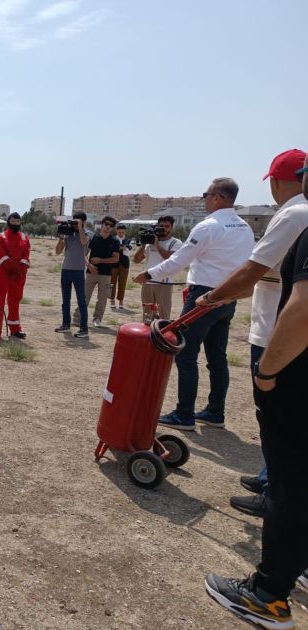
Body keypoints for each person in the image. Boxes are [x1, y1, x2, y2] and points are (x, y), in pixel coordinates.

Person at [205, 219, 308, 630]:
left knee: (291, 483)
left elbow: (303, 310)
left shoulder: (297, 217)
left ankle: (266, 597)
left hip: (297, 378)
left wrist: (267, 372)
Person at [195, 149, 308, 519]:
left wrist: (211, 297)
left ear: (279, 181)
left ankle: (276, 494)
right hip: (284, 329)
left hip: (277, 334)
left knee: (276, 419)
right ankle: (268, 479)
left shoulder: (294, 214)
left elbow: (251, 272)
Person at [134, 177, 255, 431]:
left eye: (206, 195)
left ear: (218, 197)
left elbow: (179, 259)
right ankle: (214, 412)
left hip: (204, 296)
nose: (205, 200)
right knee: (217, 356)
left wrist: (148, 274)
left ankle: (184, 414)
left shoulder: (208, 226)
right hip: (228, 296)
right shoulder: (244, 227)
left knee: (186, 354)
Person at [132, 216, 183, 322]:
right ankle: (147, 336)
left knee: (163, 315)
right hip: (148, 283)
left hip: (164, 284)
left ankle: (160, 336)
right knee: (147, 315)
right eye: (161, 226)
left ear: (171, 228)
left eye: (167, 226)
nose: (164, 228)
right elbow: (136, 260)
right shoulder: (150, 243)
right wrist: (143, 245)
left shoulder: (175, 243)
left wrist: (157, 245)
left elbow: (170, 258)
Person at [0, 212, 31, 338]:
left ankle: (15, 329)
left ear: (20, 223)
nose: (15, 223)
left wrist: (20, 270)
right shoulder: (1, 237)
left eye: (17, 221)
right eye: (12, 221)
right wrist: (13, 269)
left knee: (15, 300)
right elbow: (0, 255)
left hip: (19, 275)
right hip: (3, 273)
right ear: (8, 222)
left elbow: (26, 255)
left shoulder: (24, 238)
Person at [54, 210, 91, 338]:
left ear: (84, 222)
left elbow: (83, 242)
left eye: (78, 222)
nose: (75, 224)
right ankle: (65, 324)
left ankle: (84, 328)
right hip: (66, 270)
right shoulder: (68, 234)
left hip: (79, 271)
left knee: (81, 301)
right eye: (74, 221)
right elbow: (58, 251)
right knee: (65, 300)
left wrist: (80, 227)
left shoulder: (86, 233)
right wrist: (61, 237)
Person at [79, 215, 120, 327]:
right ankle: (78, 318)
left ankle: (97, 319)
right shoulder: (93, 238)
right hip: (91, 273)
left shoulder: (115, 241)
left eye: (111, 226)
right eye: (106, 224)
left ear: (112, 228)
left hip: (106, 275)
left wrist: (100, 260)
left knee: (102, 299)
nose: (108, 227)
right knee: (84, 296)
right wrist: (89, 265)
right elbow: (84, 254)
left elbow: (116, 258)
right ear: (102, 224)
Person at [109, 223, 134, 309]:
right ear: (116, 231)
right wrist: (122, 248)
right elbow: (109, 251)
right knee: (112, 282)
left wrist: (123, 249)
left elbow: (129, 253)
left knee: (122, 283)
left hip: (124, 264)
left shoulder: (129, 240)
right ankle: (112, 299)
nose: (121, 234)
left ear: (125, 231)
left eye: (122, 232)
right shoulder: (112, 239)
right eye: (119, 232)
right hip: (113, 264)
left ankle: (121, 300)